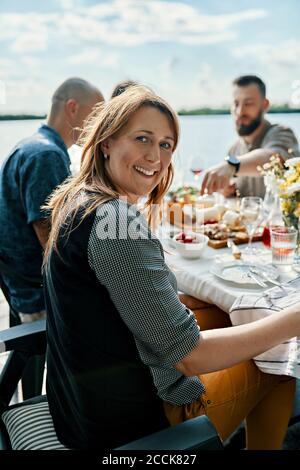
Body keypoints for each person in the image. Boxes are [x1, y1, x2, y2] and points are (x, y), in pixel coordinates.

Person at [43, 86, 299, 450]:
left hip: (79, 407)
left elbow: (114, 304)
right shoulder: (118, 224)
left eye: (165, 144)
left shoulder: (79, 199)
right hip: (134, 424)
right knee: (277, 357)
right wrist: (293, 319)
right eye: (142, 138)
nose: (155, 156)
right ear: (106, 142)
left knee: (226, 314)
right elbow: (190, 357)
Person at [0, 77, 104, 324]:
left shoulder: (33, 146)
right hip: (40, 296)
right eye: (98, 113)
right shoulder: (46, 155)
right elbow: (53, 239)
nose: (101, 124)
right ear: (72, 108)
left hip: (20, 286)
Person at [201, 75, 300, 197]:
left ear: (265, 105)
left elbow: (273, 159)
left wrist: (232, 165)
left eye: (248, 103)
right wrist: (227, 191)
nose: (240, 111)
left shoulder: (282, 134)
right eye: (236, 104)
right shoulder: (233, 150)